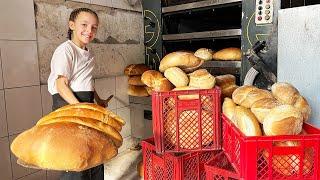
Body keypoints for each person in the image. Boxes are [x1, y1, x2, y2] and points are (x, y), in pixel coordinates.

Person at [47, 8, 107, 180]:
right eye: (84, 25)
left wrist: (98, 99)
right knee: (75, 159)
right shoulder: (66, 50)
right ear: (71, 25)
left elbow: (85, 81)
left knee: (94, 154)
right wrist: (79, 108)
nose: (89, 31)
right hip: (68, 106)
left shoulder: (87, 52)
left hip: (84, 104)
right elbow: (61, 84)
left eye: (94, 27)